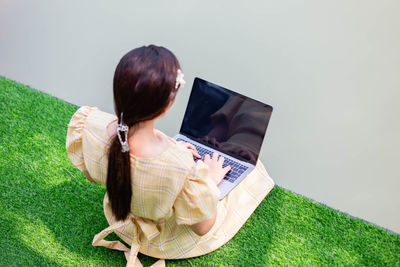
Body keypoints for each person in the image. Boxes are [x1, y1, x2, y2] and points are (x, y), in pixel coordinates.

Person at [66, 45, 275, 267]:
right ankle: (232, 115)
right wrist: (209, 182)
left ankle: (227, 116)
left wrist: (171, 152)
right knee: (252, 170)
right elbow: (203, 228)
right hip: (164, 240)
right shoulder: (179, 167)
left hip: (121, 219)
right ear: (167, 106)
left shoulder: (90, 124)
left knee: (217, 146)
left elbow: (97, 172)